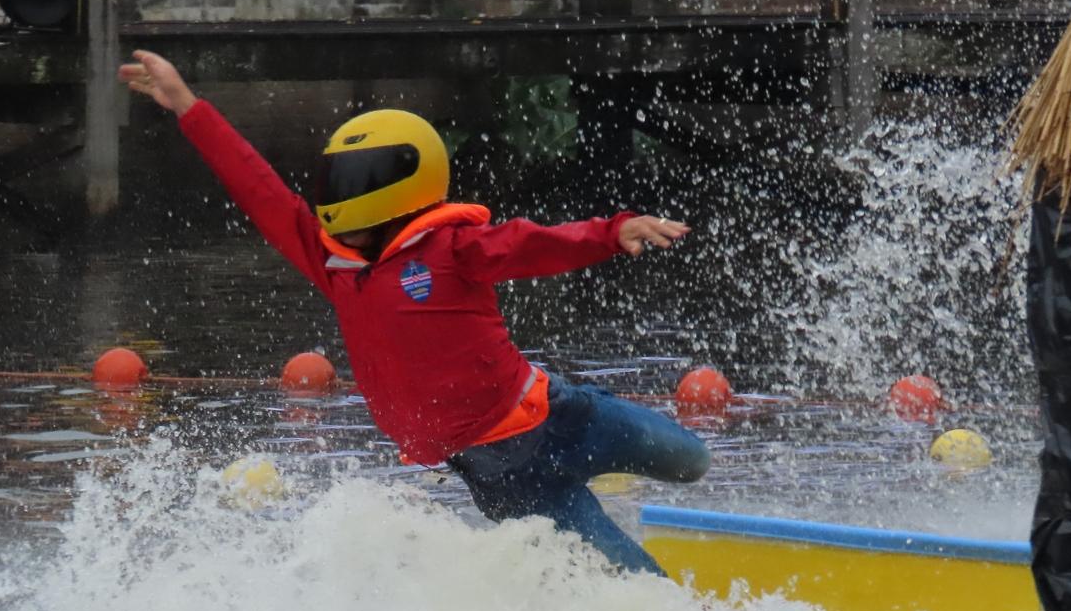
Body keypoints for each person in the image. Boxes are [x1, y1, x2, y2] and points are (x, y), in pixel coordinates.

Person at [119, 50, 710, 574]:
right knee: (635, 585)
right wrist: (187, 104)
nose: (347, 189)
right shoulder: (333, 265)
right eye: (341, 177)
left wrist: (613, 231)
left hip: (564, 415)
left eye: (363, 177)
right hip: (503, 474)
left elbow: (534, 243)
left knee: (694, 460)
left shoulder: (452, 248)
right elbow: (259, 187)